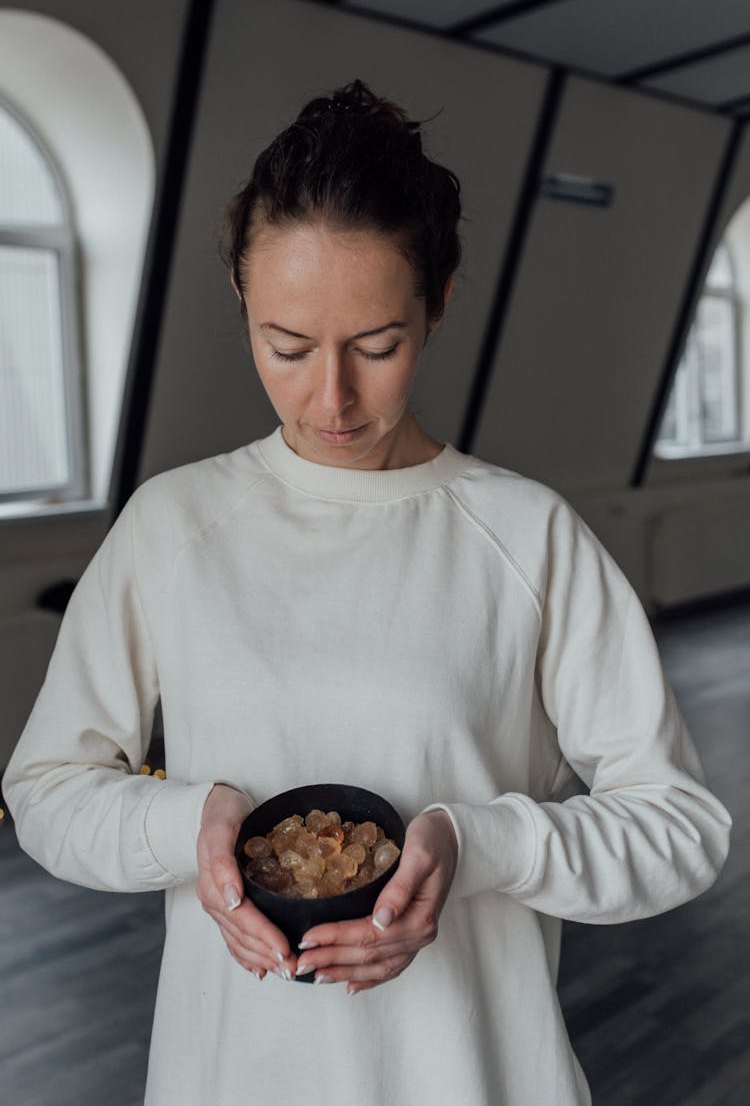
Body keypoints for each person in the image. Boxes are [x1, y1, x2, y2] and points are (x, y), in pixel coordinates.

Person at [2, 79, 731, 1106]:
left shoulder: (527, 537)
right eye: (287, 346)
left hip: (474, 1075)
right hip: (228, 1075)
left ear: (437, 301)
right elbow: (45, 793)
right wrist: (190, 824)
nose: (330, 398)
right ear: (242, 303)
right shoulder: (173, 527)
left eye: (377, 347)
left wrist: (481, 843)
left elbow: (681, 828)